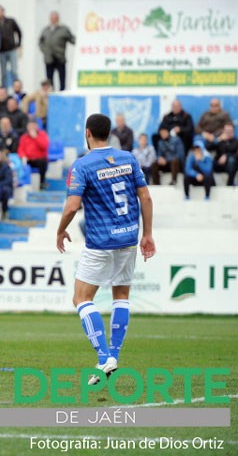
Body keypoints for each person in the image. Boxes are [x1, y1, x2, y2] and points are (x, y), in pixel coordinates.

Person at [56, 113, 155, 385]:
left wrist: (60, 229)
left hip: (100, 242)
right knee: (121, 295)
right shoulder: (128, 158)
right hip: (128, 239)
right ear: (109, 132)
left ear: (87, 133)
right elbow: (145, 196)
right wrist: (147, 233)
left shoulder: (82, 165)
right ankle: (114, 354)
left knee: (81, 299)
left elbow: (73, 206)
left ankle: (103, 357)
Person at [38, 11, 75, 91]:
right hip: (49, 58)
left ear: (58, 19)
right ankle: (51, 93)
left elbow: (72, 39)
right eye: (52, 18)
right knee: (49, 79)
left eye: (55, 18)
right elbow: (40, 42)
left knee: (62, 78)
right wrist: (45, 51)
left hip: (60, 58)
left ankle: (62, 92)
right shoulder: (46, 30)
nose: (53, 20)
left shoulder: (64, 29)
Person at [0, 5, 22, 88]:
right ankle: (4, 89)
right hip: (2, 51)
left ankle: (17, 88)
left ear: (3, 11)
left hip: (12, 49)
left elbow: (19, 32)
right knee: (3, 72)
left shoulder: (11, 21)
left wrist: (18, 44)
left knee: (14, 71)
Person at [17, 119, 49, 189]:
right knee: (20, 162)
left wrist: (36, 137)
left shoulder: (42, 135)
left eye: (33, 126)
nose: (31, 128)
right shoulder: (24, 137)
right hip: (28, 159)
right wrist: (23, 156)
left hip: (39, 159)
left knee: (43, 162)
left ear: (37, 126)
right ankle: (24, 183)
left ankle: (42, 183)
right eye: (29, 126)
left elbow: (44, 146)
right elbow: (20, 149)